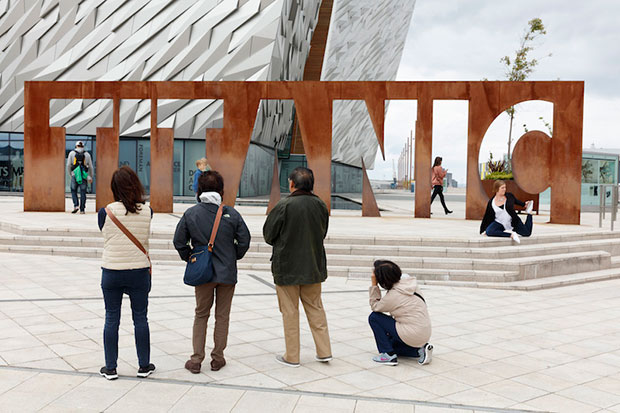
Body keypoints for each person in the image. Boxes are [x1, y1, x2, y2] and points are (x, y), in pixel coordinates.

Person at [173, 170, 251, 373]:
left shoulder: (191, 213)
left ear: (199, 189)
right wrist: (234, 256)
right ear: (221, 190)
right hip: (227, 274)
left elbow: (179, 241)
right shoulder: (232, 214)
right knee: (222, 316)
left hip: (203, 274)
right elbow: (245, 240)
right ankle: (218, 358)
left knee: (201, 314)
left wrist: (192, 258)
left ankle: (196, 359)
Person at [263, 167, 332, 368]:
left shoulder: (284, 205)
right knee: (316, 309)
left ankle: (292, 356)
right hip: (313, 266)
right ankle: (324, 351)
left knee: (290, 312)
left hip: (287, 268)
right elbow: (323, 232)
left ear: (292, 184)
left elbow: (268, 235)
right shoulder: (320, 204)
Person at [98, 166, 154, 380]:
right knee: (140, 318)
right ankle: (144, 365)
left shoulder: (106, 212)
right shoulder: (148, 211)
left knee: (111, 318)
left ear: (114, 188)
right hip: (138, 271)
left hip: (111, 270)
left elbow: (104, 235)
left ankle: (110, 368)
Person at [368, 260, 433, 366]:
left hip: (411, 333)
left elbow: (375, 306)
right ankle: (420, 350)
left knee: (374, 318)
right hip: (423, 333)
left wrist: (374, 285)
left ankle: (388, 355)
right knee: (391, 343)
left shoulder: (394, 296)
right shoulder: (408, 282)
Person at [480, 180, 534, 244]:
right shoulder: (491, 203)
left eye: (505, 187)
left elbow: (516, 201)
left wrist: (524, 204)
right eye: (502, 188)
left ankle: (529, 214)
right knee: (489, 231)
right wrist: (483, 229)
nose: (504, 189)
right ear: (497, 189)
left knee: (527, 233)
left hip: (513, 222)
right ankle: (511, 235)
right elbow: (487, 216)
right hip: (500, 223)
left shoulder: (509, 196)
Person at [66, 141, 93, 214]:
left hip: (74, 174)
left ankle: (76, 205)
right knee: (83, 192)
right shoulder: (87, 154)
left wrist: (70, 174)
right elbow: (90, 166)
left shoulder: (72, 153)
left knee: (73, 190)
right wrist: (90, 176)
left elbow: (68, 165)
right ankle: (82, 209)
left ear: (76, 146)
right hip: (84, 176)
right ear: (83, 146)